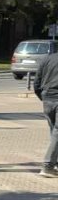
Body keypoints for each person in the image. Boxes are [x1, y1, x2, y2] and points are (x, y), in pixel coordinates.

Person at [33, 45, 58, 178]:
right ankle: (48, 166)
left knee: (54, 132)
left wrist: (43, 97)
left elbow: (36, 83)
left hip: (47, 99)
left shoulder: (47, 59)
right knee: (57, 133)